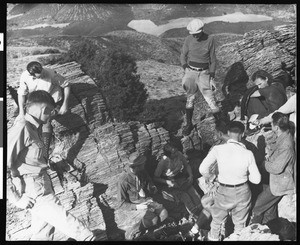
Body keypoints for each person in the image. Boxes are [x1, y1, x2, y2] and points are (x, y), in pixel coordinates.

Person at [7, 90, 95, 241]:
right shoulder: (22, 127)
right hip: (34, 189)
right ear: (44, 109)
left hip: (41, 183)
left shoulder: (34, 128)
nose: (50, 117)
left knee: (43, 233)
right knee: (82, 233)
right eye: (51, 112)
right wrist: (15, 198)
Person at [199, 121, 261, 241]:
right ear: (242, 134)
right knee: (240, 225)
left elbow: (202, 169)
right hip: (243, 191)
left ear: (228, 132)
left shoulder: (218, 149)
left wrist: (213, 178)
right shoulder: (248, 153)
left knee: (216, 222)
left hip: (223, 191)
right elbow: (256, 180)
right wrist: (243, 174)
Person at [16, 61, 71, 160]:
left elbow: (66, 85)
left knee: (45, 120)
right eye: (39, 76)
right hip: (37, 102)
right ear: (31, 74)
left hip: (52, 101)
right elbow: (21, 94)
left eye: (42, 73)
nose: (42, 75)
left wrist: (65, 104)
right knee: (27, 121)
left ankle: (45, 154)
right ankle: (27, 149)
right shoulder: (25, 76)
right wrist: (21, 112)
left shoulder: (50, 73)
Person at [249, 112, 295, 225]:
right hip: (275, 180)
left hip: (280, 184)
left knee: (257, 206)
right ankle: (270, 229)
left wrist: (263, 163)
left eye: (272, 124)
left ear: (276, 127)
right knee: (270, 209)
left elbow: (276, 168)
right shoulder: (284, 136)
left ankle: (253, 231)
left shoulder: (286, 145)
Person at [180, 18, 219, 136]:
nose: (195, 36)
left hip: (204, 73)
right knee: (190, 99)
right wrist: (185, 67)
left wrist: (212, 76)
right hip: (191, 72)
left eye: (197, 34)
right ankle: (188, 124)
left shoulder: (210, 39)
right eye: (193, 34)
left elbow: (212, 59)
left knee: (210, 99)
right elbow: (183, 55)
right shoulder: (188, 39)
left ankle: (220, 123)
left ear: (202, 30)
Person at [117, 152, 168, 240]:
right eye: (142, 164)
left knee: (164, 214)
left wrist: (153, 188)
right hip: (136, 204)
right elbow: (121, 203)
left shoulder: (142, 171)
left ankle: (152, 232)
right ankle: (135, 230)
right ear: (135, 167)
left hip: (147, 200)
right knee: (153, 220)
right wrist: (137, 206)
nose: (144, 165)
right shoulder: (123, 180)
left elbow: (149, 183)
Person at [153, 142, 202, 221]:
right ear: (168, 154)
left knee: (194, 194)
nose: (176, 153)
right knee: (185, 197)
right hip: (169, 181)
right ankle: (196, 216)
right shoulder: (163, 162)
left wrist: (190, 176)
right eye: (173, 153)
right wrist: (168, 182)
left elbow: (186, 165)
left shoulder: (178, 154)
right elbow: (155, 178)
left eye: (176, 151)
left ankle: (203, 212)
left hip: (180, 177)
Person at [240, 70, 287, 135]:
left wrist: (243, 115)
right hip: (282, 115)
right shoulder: (278, 84)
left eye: (260, 84)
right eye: (257, 85)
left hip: (273, 117)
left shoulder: (267, 90)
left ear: (266, 79)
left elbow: (249, 95)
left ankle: (252, 125)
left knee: (252, 100)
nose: (259, 87)